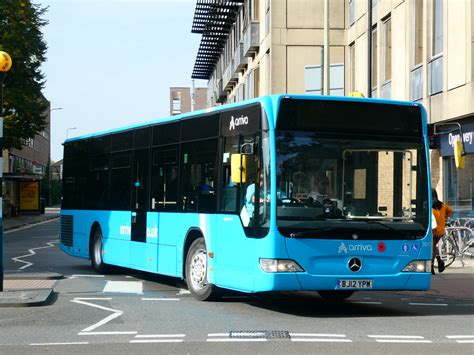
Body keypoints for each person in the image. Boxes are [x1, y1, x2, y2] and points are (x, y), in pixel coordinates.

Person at [431, 188, 453, 274]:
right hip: (440, 230)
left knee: (432, 248)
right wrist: (444, 218)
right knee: (434, 247)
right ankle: (439, 261)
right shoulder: (442, 205)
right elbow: (450, 211)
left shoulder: (429, 205)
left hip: (433, 230)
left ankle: (432, 267)